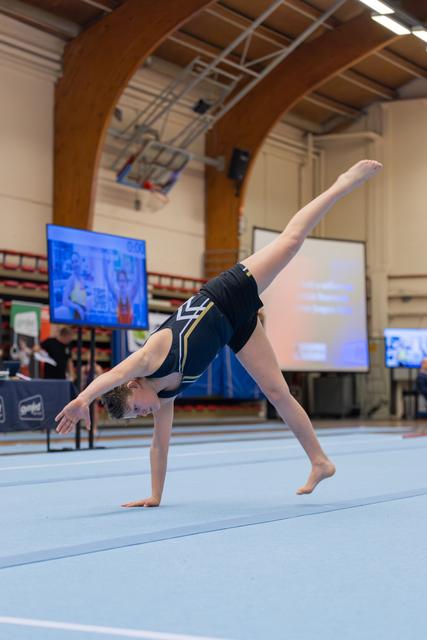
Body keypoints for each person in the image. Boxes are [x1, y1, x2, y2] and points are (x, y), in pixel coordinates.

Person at [56, 160, 382, 506]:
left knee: (289, 243)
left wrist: (82, 399)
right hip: (233, 327)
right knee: (276, 390)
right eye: (138, 416)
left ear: (134, 386)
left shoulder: (148, 360)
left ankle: (342, 183)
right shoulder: (165, 397)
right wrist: (155, 495)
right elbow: (159, 445)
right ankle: (320, 461)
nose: (143, 414)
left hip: (223, 295)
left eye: (137, 409)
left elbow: (114, 373)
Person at [103, 259, 140, 325]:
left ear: (126, 282)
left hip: (130, 329)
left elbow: (138, 280)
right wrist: (104, 262)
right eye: (120, 280)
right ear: (117, 282)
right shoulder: (117, 295)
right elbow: (108, 280)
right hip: (119, 328)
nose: (122, 283)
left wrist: (138, 262)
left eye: (123, 280)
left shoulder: (130, 296)